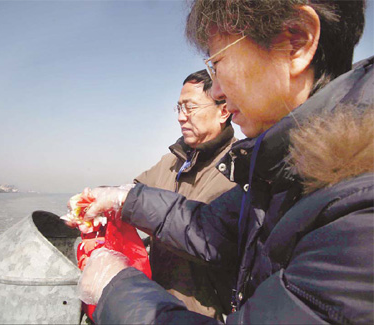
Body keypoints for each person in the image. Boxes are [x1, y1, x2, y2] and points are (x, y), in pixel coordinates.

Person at [78, 0, 373, 324]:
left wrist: (115, 288)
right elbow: (209, 227)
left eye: (218, 64)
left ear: (296, 42)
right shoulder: (285, 172)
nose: (217, 89)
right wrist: (124, 199)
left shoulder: (358, 212)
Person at [135, 69, 236, 319]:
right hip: (158, 306)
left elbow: (211, 240)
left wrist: (128, 201)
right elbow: (133, 191)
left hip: (203, 314)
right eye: (178, 108)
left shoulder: (237, 169)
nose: (181, 118)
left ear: (223, 111)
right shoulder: (171, 161)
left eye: (190, 108)